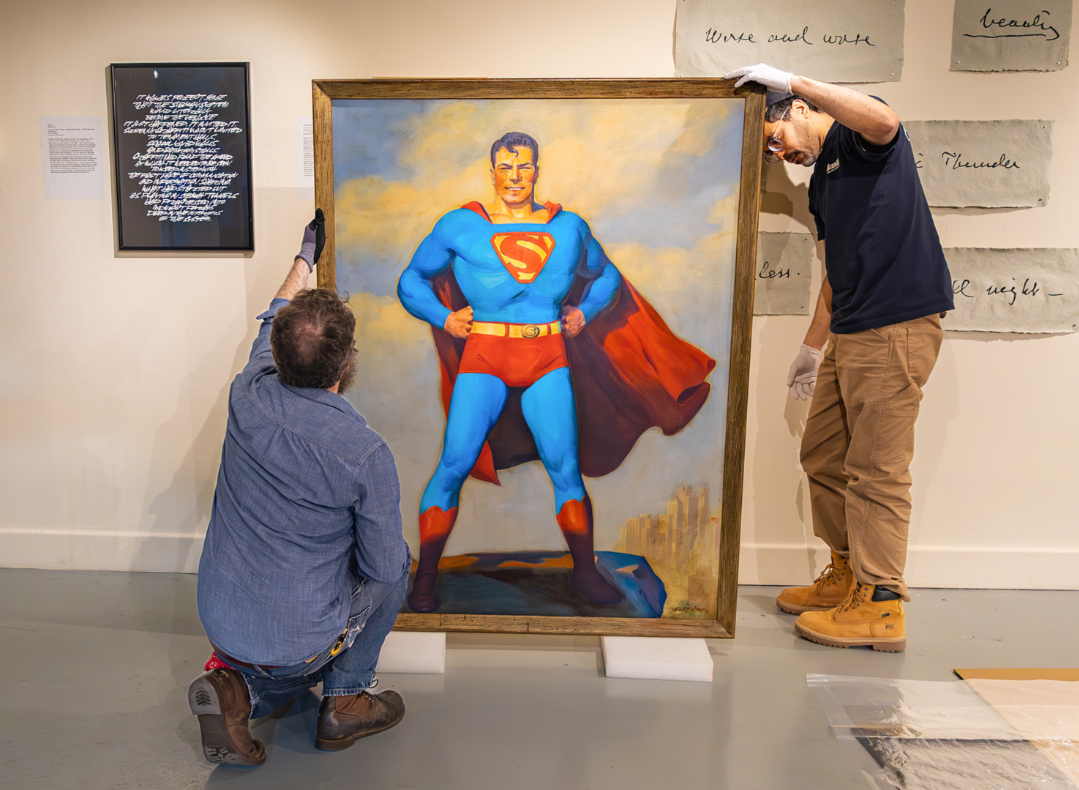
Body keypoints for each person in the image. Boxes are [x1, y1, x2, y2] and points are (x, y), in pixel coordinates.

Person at [397, 131, 715, 614]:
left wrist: (585, 311)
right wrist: (443, 317)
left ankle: (585, 574)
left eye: (523, 166)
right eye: (506, 167)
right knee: (454, 465)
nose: (514, 176)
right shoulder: (459, 226)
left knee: (564, 469)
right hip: (485, 356)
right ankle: (425, 579)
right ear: (492, 171)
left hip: (545, 355)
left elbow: (605, 274)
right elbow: (410, 279)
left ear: (536, 169)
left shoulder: (568, 228)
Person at [725, 64, 954, 653]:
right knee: (823, 454)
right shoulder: (823, 184)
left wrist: (792, 79)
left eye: (774, 140)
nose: (778, 155)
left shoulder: (860, 138)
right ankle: (849, 573)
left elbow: (885, 120)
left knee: (877, 468)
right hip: (852, 328)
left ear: (797, 109)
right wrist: (810, 346)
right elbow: (834, 271)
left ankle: (881, 606)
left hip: (896, 326)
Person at [188, 211, 412, 765]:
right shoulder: (364, 453)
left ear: (281, 352)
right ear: (347, 363)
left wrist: (305, 257)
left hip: (219, 617)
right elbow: (382, 569)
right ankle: (344, 700)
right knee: (398, 561)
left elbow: (275, 312)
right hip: (299, 639)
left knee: (282, 638)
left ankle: (240, 689)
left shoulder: (248, 390)